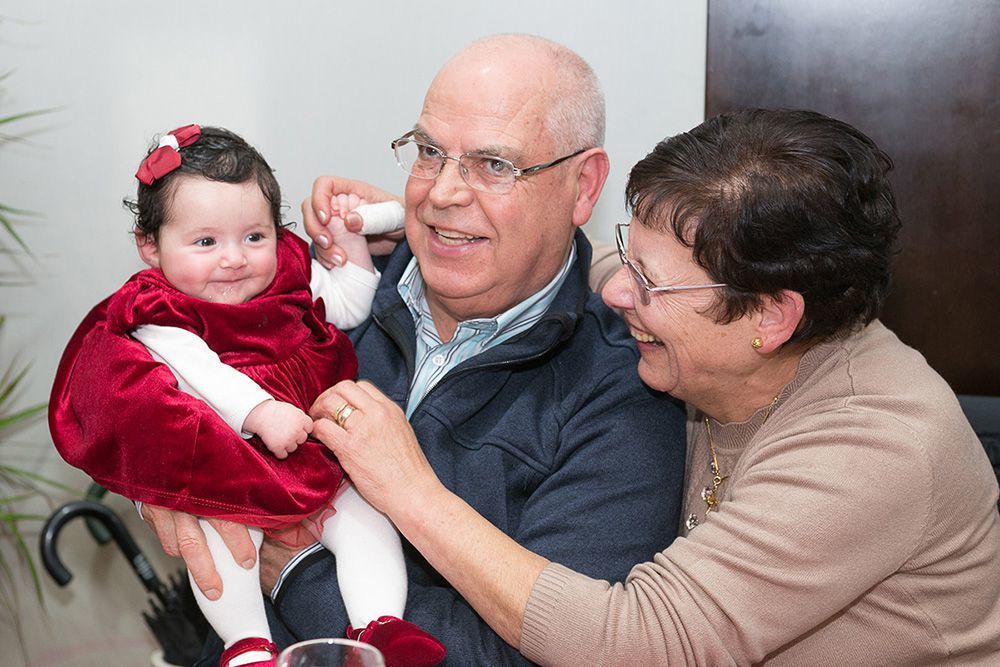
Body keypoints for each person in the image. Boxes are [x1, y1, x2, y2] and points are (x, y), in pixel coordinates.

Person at [314, 108, 1000, 665]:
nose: (618, 289)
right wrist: (440, 228)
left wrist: (411, 492)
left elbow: (635, 641)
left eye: (649, 281)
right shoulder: (724, 326)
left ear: (770, 315)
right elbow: (584, 264)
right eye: (628, 253)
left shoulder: (876, 448)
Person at [48, 125, 444, 667]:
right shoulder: (158, 309)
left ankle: (379, 627)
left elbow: (346, 308)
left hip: (313, 448)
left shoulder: (288, 268)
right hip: (228, 454)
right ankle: (248, 645)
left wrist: (351, 251)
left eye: (253, 237)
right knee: (223, 542)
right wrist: (259, 411)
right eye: (205, 242)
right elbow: (198, 373)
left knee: (366, 519)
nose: (234, 258)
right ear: (149, 246)